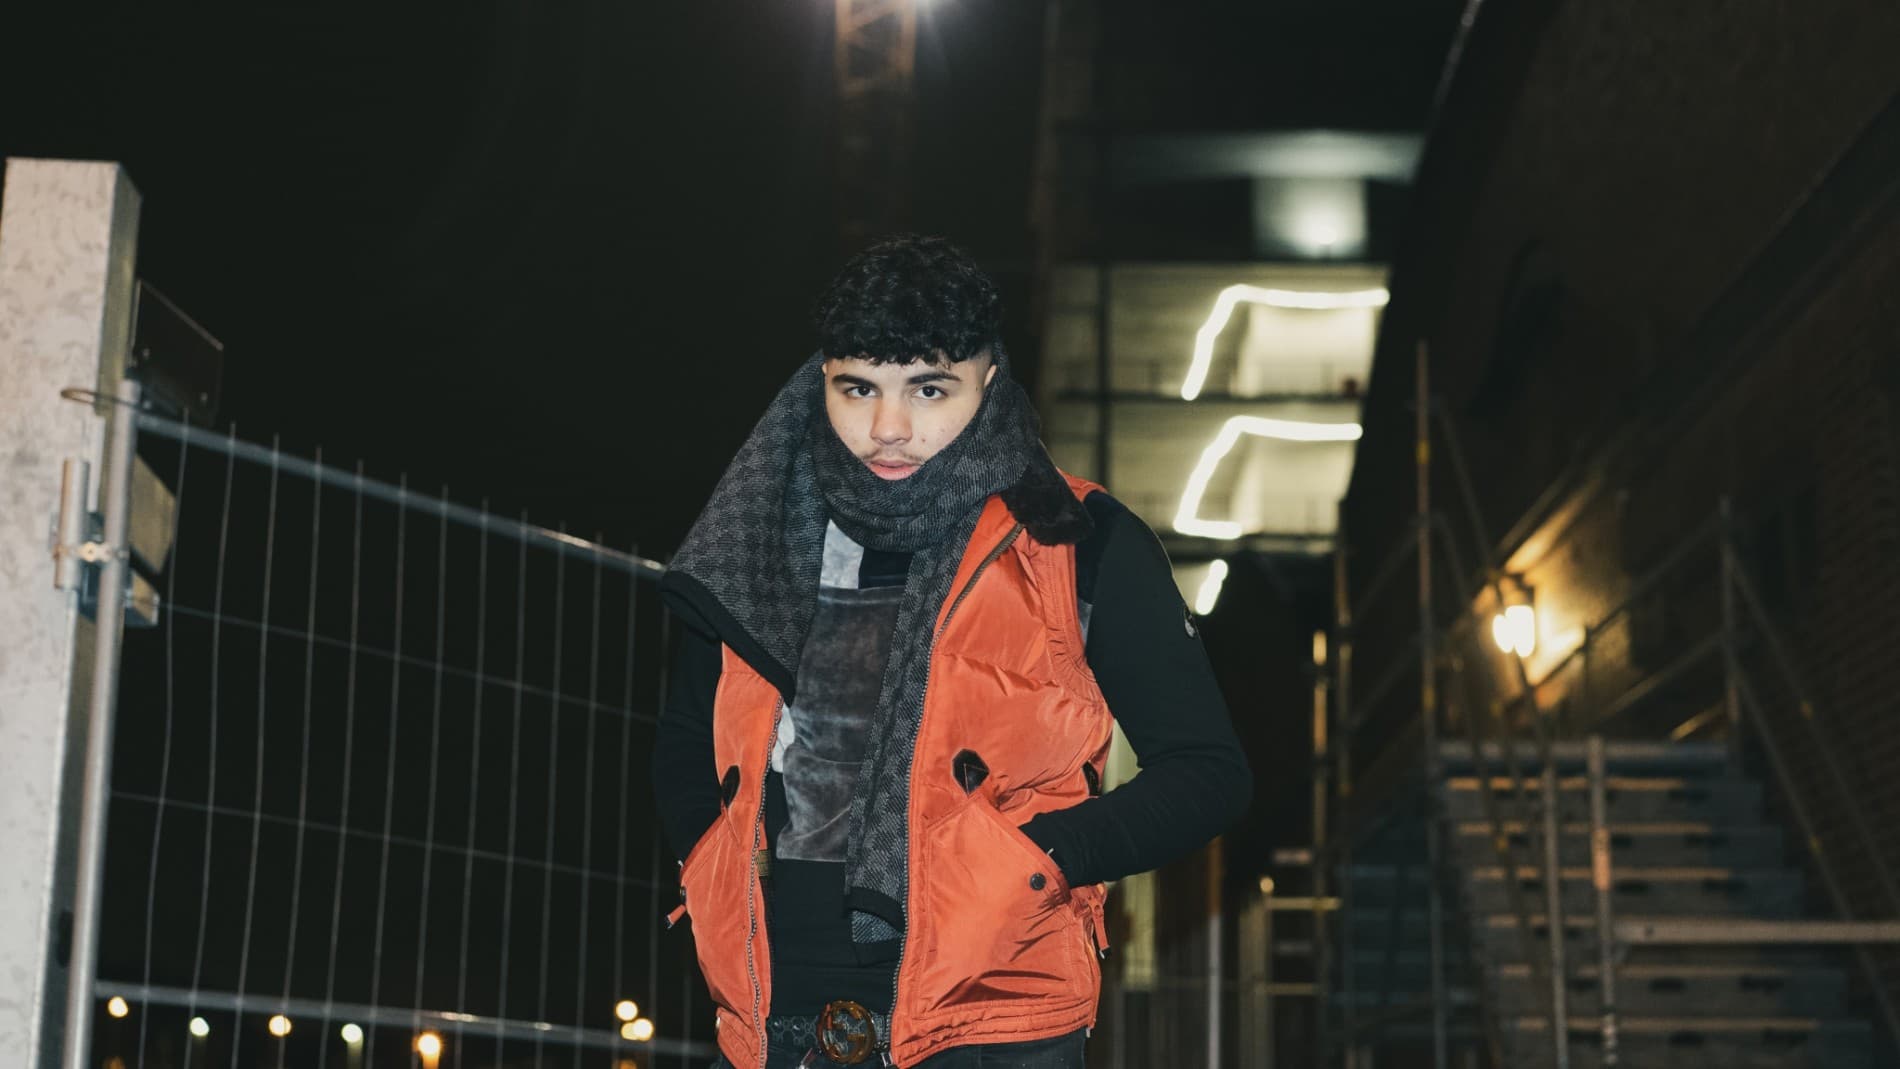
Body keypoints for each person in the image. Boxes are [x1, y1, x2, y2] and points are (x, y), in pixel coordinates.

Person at [655, 235, 1251, 1068]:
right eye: (858, 387)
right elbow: (687, 738)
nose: (888, 428)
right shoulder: (753, 535)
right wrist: (710, 860)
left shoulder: (1075, 538)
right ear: (821, 379)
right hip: (767, 1014)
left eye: (929, 388)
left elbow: (1207, 772)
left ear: (990, 382)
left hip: (993, 1021)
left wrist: (1038, 858)